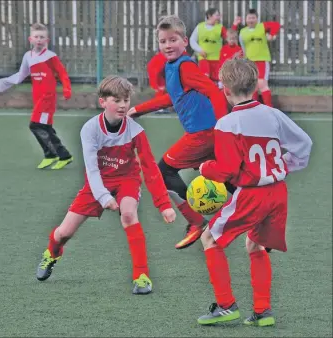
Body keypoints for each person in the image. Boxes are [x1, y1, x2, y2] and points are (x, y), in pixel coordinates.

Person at [196, 58, 312, 326]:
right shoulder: (272, 114)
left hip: (253, 194)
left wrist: (204, 168)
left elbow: (225, 170)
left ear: (225, 90)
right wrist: (284, 166)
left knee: (209, 238)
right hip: (278, 192)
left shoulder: (227, 123)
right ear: (256, 85)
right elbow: (304, 144)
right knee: (254, 243)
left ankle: (225, 306)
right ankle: (262, 311)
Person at [35, 76, 176, 294]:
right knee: (63, 233)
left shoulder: (135, 131)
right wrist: (103, 197)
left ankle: (141, 275)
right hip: (97, 182)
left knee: (129, 214)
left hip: (127, 179)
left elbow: (150, 168)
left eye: (126, 100)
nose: (122, 105)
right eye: (116, 100)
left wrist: (164, 204)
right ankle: (52, 253)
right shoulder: (90, 129)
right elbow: (91, 169)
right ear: (102, 102)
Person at [128, 15, 230, 250]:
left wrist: (224, 126)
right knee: (231, 178)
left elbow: (214, 92)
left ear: (185, 42)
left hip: (204, 133)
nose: (167, 45)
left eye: (172, 40)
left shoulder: (185, 66)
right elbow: (171, 97)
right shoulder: (170, 66)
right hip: (206, 132)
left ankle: (196, 221)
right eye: (163, 41)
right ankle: (259, 224)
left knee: (163, 171)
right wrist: (139, 109)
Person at [0, 23, 73, 170]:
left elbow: (62, 73)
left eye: (42, 37)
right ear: (30, 39)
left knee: (35, 125)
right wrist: (0, 85)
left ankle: (53, 154)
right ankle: (61, 155)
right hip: (38, 97)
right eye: (36, 37)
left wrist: (66, 88)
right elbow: (20, 75)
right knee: (45, 127)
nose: (39, 39)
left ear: (47, 40)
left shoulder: (50, 56)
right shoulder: (28, 56)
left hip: (48, 97)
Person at [236, 9, 280, 107]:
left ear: (257, 19)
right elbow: (242, 47)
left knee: (262, 84)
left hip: (262, 60)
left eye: (253, 18)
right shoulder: (243, 32)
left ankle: (269, 108)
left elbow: (276, 25)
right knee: (252, 86)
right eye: (249, 18)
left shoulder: (262, 26)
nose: (251, 20)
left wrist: (272, 35)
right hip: (250, 62)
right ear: (246, 19)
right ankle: (254, 108)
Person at [189, 8, 238, 82]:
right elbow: (192, 40)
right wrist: (199, 50)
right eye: (217, 15)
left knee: (217, 81)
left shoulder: (220, 27)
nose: (219, 17)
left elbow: (230, 38)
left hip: (217, 59)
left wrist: (234, 25)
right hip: (203, 58)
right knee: (205, 78)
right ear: (209, 16)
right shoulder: (199, 27)